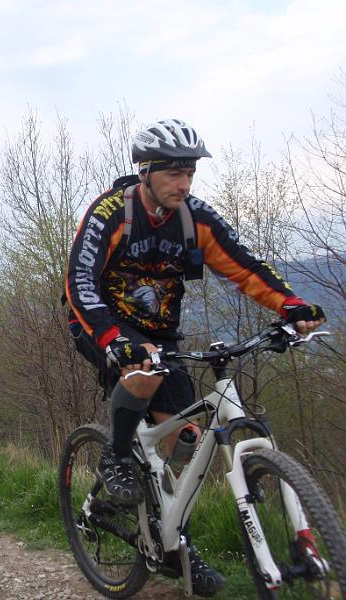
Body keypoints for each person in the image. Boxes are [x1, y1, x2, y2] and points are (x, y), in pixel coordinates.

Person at [65, 118, 326, 596]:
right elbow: (79, 282)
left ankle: (171, 542)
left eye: (190, 173)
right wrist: (112, 339)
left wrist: (290, 305)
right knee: (144, 364)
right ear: (145, 171)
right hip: (99, 322)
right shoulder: (111, 213)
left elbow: (244, 266)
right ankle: (116, 456)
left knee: (184, 439)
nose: (184, 184)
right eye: (174, 173)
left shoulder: (195, 218)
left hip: (160, 332)